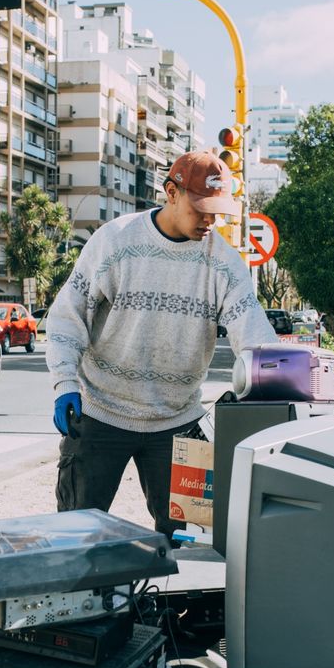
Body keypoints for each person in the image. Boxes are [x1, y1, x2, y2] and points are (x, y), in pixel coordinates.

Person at [44, 150, 278, 537]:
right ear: (171, 192)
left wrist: (277, 379)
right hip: (101, 412)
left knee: (187, 539)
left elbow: (253, 335)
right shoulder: (115, 242)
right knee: (76, 531)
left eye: (216, 212)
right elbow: (68, 317)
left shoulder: (224, 263)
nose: (209, 220)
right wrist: (65, 384)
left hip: (177, 421)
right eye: (200, 208)